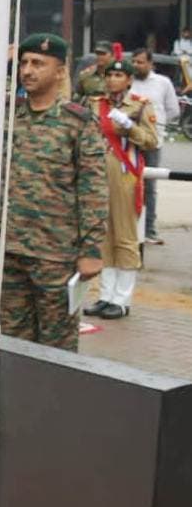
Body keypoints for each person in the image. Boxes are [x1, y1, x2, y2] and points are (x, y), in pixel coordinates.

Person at [0, 33, 108, 351]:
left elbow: (93, 188)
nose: (28, 70)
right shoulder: (6, 115)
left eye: (38, 64)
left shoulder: (77, 122)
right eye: (24, 63)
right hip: (10, 250)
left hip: (55, 254)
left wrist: (91, 249)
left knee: (57, 346)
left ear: (60, 71)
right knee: (13, 342)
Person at [86, 55, 158, 320]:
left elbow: (151, 141)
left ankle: (122, 299)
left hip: (125, 174)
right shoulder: (96, 104)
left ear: (129, 80)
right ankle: (106, 296)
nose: (112, 80)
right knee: (104, 236)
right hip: (98, 174)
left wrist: (129, 128)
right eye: (109, 75)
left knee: (125, 236)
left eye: (119, 76)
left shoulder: (140, 105)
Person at [130, 48, 177, 244]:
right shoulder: (127, 81)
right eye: (134, 61)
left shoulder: (162, 83)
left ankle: (149, 229)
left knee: (149, 186)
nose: (136, 65)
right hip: (129, 141)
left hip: (152, 142)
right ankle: (129, 227)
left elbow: (173, 110)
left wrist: (155, 125)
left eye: (140, 62)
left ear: (150, 64)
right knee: (127, 184)